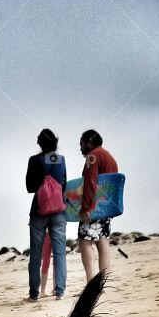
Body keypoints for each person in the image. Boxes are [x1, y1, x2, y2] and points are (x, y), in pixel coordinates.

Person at [25, 128, 67, 301]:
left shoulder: (34, 160)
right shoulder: (61, 159)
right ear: (55, 143)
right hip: (58, 210)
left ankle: (34, 294)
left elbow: (29, 187)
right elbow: (63, 184)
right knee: (59, 252)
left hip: (39, 210)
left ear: (39, 143)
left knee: (36, 252)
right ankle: (60, 292)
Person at [77, 129, 119, 283]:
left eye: (81, 143)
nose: (80, 147)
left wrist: (86, 208)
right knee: (103, 241)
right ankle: (102, 283)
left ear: (89, 142)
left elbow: (90, 183)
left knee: (85, 242)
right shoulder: (110, 157)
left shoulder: (92, 156)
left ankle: (90, 283)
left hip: (93, 207)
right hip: (106, 207)